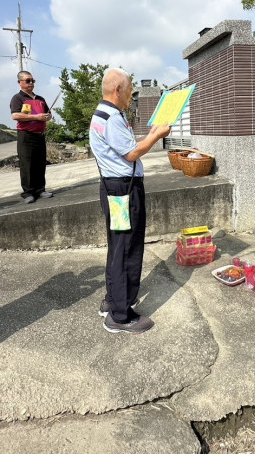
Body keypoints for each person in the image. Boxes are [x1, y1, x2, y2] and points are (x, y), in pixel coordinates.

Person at [89, 68, 170, 334]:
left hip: (114, 187)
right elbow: (132, 153)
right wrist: (155, 136)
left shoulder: (102, 114)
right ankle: (120, 316)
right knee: (127, 248)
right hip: (123, 190)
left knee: (118, 246)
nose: (131, 94)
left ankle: (114, 300)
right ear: (118, 90)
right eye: (130, 89)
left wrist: (150, 134)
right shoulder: (111, 117)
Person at [10, 71, 53, 204]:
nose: (31, 83)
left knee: (40, 162)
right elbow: (15, 115)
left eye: (32, 81)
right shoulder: (17, 98)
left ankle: (40, 189)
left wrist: (47, 117)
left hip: (40, 135)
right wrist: (36, 117)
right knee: (27, 164)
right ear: (20, 82)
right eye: (28, 80)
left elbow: (48, 113)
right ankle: (28, 192)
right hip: (26, 135)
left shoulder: (40, 98)